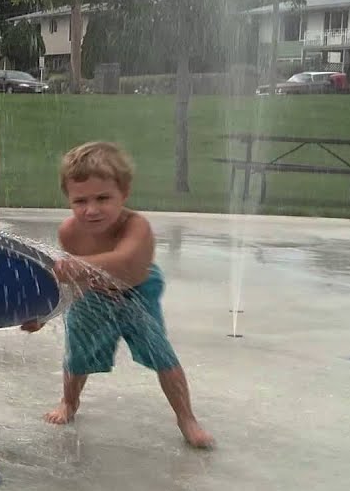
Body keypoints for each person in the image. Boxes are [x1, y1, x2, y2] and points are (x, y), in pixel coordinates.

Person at [21, 141, 213, 449]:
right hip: (92, 293)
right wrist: (45, 316)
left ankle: (186, 417)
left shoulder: (137, 227)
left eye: (103, 198)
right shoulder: (70, 233)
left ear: (124, 194)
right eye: (80, 200)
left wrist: (74, 267)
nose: (91, 209)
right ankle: (69, 402)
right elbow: (71, 283)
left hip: (137, 294)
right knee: (77, 355)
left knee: (162, 356)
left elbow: (124, 262)